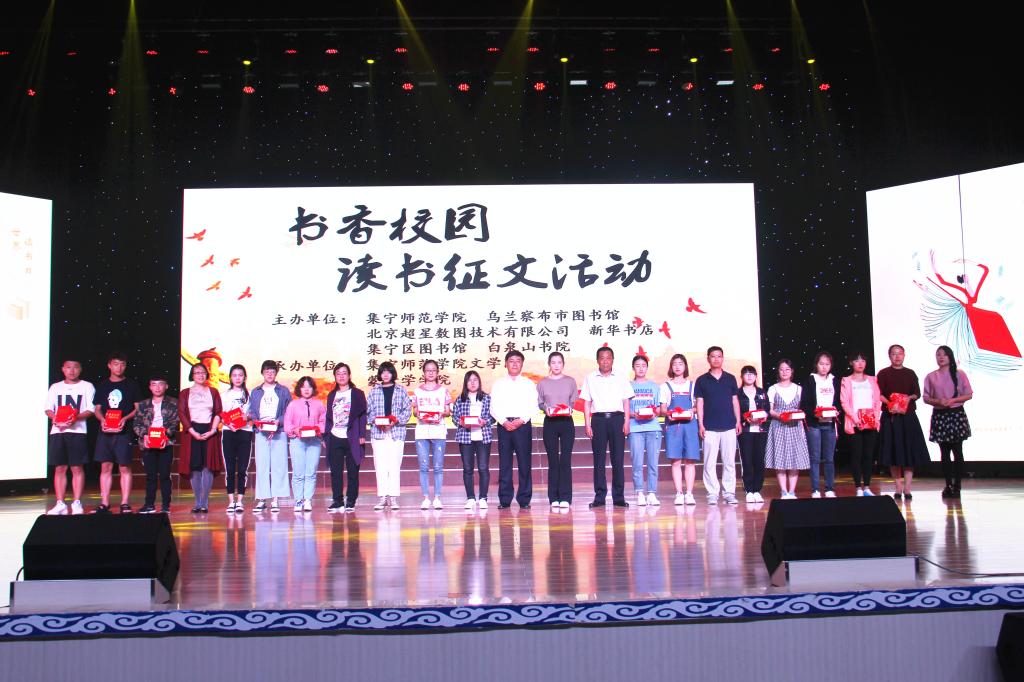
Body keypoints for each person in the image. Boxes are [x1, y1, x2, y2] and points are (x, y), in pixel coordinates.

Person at [581, 346, 634, 509]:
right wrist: (587, 424)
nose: (605, 361)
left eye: (608, 358)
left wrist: (626, 421)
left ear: (613, 360)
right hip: (598, 420)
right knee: (599, 460)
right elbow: (587, 402)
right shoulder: (590, 377)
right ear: (597, 360)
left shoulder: (621, 376)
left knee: (618, 460)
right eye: (602, 358)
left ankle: (619, 497)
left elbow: (626, 401)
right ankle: (599, 497)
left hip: (617, 419)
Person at [877, 344, 931, 499]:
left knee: (909, 452)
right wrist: (890, 404)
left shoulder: (910, 373)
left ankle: (907, 488)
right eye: (894, 354)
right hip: (890, 417)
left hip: (908, 417)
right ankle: (898, 486)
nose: (897, 356)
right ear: (889, 356)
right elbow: (879, 394)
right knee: (893, 453)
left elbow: (917, 393)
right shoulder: (883, 373)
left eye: (899, 353)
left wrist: (908, 398)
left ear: (904, 355)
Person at [92, 352, 141, 513]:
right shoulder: (102, 386)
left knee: (124, 467)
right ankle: (104, 502)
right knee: (105, 467)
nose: (119, 368)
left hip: (124, 432)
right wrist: (102, 420)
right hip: (105, 431)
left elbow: (137, 408)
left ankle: (125, 502)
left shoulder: (132, 385)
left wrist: (124, 419)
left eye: (122, 364)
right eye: (115, 364)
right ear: (109, 365)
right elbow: (97, 409)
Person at [44, 360, 95, 515]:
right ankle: (60, 503)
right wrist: (55, 418)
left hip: (77, 432)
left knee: (76, 467)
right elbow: (48, 408)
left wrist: (74, 418)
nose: (72, 371)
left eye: (75, 367)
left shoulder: (87, 386)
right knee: (59, 468)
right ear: (63, 369)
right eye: (68, 367)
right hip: (58, 431)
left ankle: (77, 502)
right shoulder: (55, 387)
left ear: (80, 369)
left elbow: (90, 409)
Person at [489, 350, 538, 510]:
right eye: (511, 360)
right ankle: (505, 499)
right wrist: (503, 421)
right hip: (504, 426)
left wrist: (521, 420)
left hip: (522, 425)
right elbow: (493, 407)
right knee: (505, 463)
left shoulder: (529, 384)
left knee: (524, 462)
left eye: (518, 361)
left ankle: (524, 499)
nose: (515, 363)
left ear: (522, 364)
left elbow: (534, 406)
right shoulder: (498, 384)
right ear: (505, 364)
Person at [923, 345, 973, 499]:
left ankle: (957, 485)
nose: (941, 357)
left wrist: (953, 400)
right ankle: (948, 485)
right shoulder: (931, 376)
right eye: (938, 354)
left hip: (956, 414)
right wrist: (938, 401)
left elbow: (969, 394)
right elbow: (926, 397)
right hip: (940, 415)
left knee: (957, 451)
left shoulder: (959, 374)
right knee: (944, 453)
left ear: (950, 357)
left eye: (944, 354)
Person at [694, 346, 741, 505]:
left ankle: (729, 493)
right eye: (713, 356)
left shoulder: (730, 378)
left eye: (719, 356)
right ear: (708, 359)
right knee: (709, 463)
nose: (716, 359)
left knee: (729, 462)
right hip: (709, 427)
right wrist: (700, 424)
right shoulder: (702, 380)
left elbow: (735, 401)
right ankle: (712, 493)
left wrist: (738, 421)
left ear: (723, 358)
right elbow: (700, 403)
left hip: (729, 426)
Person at [247, 360, 292, 512]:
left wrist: (278, 422)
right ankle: (262, 499)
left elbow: (289, 411)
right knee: (262, 465)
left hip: (278, 432)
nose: (270, 374)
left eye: (272, 372)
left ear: (276, 373)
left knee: (279, 465)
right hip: (261, 432)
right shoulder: (256, 391)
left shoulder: (283, 391)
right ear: (262, 373)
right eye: (267, 372)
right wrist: (257, 421)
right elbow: (252, 411)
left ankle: (275, 499)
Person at [366, 361, 412, 511]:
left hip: (396, 432)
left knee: (394, 465)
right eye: (383, 372)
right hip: (378, 433)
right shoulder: (374, 391)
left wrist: (395, 421)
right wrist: (375, 421)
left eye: (389, 371)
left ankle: (393, 497)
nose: (385, 374)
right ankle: (382, 497)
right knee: (380, 465)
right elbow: (368, 411)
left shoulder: (401, 390)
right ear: (380, 374)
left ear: (393, 374)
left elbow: (407, 411)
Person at [179, 363, 223, 513]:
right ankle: (197, 502)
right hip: (192, 431)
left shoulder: (213, 391)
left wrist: (212, 430)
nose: (200, 375)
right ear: (192, 375)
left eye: (203, 372)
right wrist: (192, 431)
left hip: (209, 430)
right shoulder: (185, 393)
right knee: (195, 466)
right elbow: (182, 414)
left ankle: (205, 502)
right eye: (197, 372)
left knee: (207, 466)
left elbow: (218, 412)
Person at [324, 362, 367, 512]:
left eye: (344, 373)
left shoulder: (357, 393)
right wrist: (326, 436)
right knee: (335, 471)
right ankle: (337, 500)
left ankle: (351, 500)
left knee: (353, 470)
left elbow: (362, 415)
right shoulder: (331, 395)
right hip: (335, 436)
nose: (341, 376)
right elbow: (329, 417)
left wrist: (362, 434)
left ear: (349, 376)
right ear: (335, 377)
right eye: (338, 374)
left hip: (352, 436)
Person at [537, 352, 577, 509]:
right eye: (553, 362)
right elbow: (540, 403)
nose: (556, 365)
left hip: (566, 422)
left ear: (563, 364)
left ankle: (565, 497)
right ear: (549, 364)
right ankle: (553, 497)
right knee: (553, 461)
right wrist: (545, 409)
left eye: (559, 362)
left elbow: (572, 402)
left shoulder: (570, 381)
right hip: (550, 423)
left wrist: (569, 408)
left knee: (565, 460)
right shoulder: (542, 383)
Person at [765, 358, 810, 499]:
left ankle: (792, 491)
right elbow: (770, 410)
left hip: (795, 427)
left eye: (787, 369)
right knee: (780, 459)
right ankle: (784, 491)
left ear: (792, 371)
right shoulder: (773, 389)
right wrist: (780, 416)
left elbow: (803, 408)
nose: (784, 372)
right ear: (778, 371)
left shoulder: (799, 389)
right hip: (779, 426)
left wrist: (798, 415)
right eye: (781, 369)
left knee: (795, 459)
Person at [839, 350, 882, 497]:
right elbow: (844, 402)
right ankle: (858, 487)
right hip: (855, 423)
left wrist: (875, 418)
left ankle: (867, 487)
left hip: (870, 423)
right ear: (851, 363)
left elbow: (877, 401)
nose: (860, 363)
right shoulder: (846, 381)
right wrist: (856, 419)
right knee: (856, 455)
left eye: (863, 360)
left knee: (868, 456)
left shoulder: (872, 380)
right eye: (857, 360)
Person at [133, 377, 179, 513]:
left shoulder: (173, 403)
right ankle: (149, 505)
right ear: (150, 387)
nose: (157, 388)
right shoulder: (143, 404)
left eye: (160, 384)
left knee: (165, 475)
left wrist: (165, 435)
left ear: (166, 386)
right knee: (150, 476)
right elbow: (136, 423)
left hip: (166, 443)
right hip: (148, 443)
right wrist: (144, 435)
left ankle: (165, 506)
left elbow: (175, 422)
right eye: (154, 385)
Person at [660, 354, 701, 506]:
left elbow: (698, 406)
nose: (677, 366)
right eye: (675, 364)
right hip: (673, 426)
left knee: (690, 460)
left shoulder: (693, 385)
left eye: (680, 363)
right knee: (676, 461)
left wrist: (691, 410)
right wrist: (669, 413)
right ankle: (679, 493)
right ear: (671, 367)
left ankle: (689, 493)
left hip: (690, 425)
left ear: (685, 366)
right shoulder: (665, 386)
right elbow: (662, 409)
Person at [800, 351, 842, 498]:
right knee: (815, 458)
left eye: (827, 364)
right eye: (821, 364)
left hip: (830, 424)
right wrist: (815, 414)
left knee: (829, 458)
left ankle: (829, 488)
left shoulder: (834, 380)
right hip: (814, 424)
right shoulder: (810, 380)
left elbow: (839, 401)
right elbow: (805, 403)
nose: (824, 367)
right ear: (816, 365)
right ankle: (815, 489)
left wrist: (837, 411)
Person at [413, 360, 452, 510]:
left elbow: (447, 411)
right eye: (428, 370)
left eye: (433, 370)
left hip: (438, 430)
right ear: (423, 372)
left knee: (438, 466)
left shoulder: (444, 391)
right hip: (422, 431)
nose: (430, 373)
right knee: (423, 466)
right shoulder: (417, 391)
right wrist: (419, 414)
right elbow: (415, 411)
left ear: (437, 373)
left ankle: (437, 498)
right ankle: (425, 498)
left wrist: (440, 413)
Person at [453, 370, 494, 510]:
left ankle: (483, 498)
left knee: (483, 468)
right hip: (466, 437)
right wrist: (461, 422)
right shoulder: (460, 399)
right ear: (465, 383)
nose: (472, 383)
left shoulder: (487, 398)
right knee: (467, 468)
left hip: (483, 437)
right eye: (469, 380)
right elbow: (455, 417)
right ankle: (470, 498)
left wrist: (485, 421)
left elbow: (493, 417)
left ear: (479, 382)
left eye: (475, 380)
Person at [284, 376, 326, 512]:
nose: (306, 389)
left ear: (313, 389)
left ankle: (308, 499)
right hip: (297, 441)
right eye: (303, 387)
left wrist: (319, 429)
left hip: (314, 441)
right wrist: (294, 429)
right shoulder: (293, 404)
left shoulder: (319, 404)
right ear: (299, 389)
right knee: (298, 472)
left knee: (311, 472)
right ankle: (298, 500)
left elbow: (323, 421)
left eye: (309, 387)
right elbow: (287, 424)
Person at [628, 355, 662, 506]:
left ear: (647, 368)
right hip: (635, 428)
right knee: (637, 462)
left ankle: (652, 493)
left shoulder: (654, 386)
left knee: (653, 462)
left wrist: (655, 413)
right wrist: (634, 414)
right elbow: (624, 409)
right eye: (638, 365)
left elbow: (659, 408)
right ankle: (640, 492)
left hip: (653, 428)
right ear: (633, 368)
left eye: (643, 366)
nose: (641, 368)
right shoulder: (628, 386)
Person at [220, 364, 253, 513]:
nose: (237, 378)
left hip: (245, 432)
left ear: (245, 377)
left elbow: (253, 413)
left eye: (240, 375)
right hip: (229, 432)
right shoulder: (224, 395)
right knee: (230, 468)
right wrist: (228, 423)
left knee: (242, 468)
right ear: (230, 377)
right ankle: (231, 501)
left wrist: (248, 416)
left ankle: (240, 501)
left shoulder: (250, 395)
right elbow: (221, 414)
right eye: (234, 375)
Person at [737, 365, 770, 503]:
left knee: (759, 460)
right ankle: (749, 490)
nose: (749, 376)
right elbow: (736, 412)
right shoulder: (738, 393)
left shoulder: (762, 392)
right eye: (746, 373)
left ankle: (757, 490)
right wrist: (745, 418)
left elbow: (767, 409)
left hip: (760, 430)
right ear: (742, 377)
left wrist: (763, 416)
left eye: (752, 373)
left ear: (756, 376)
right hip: (745, 431)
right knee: (747, 460)